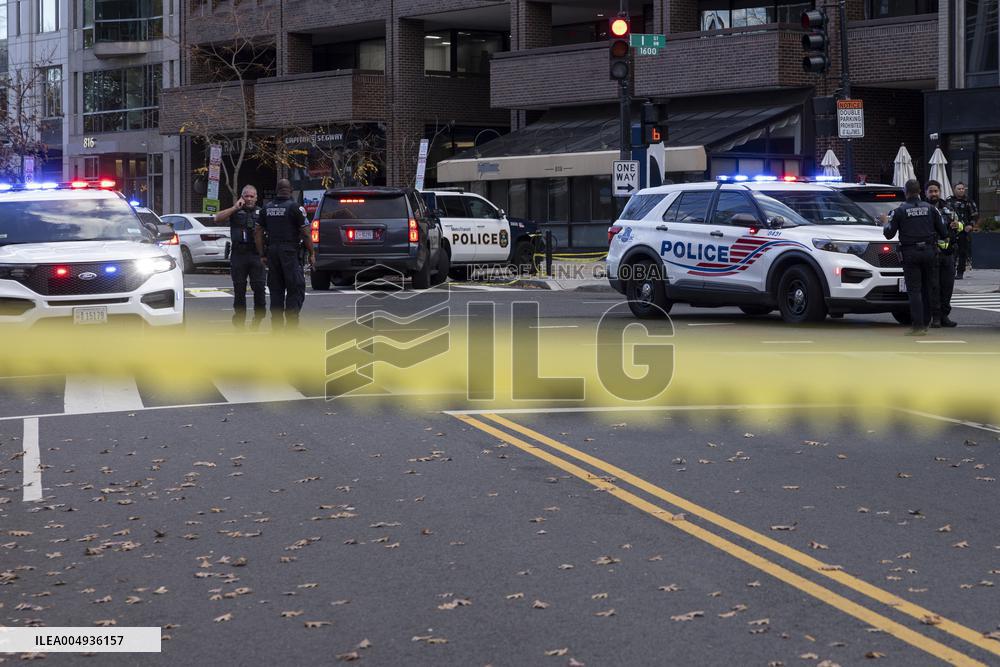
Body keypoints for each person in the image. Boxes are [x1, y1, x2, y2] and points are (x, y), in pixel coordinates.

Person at [882, 179, 948, 335]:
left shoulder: (900, 210)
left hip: (910, 253)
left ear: (906, 192)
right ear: (919, 192)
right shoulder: (931, 209)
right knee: (927, 288)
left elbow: (889, 234)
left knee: (914, 290)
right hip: (930, 252)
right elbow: (944, 233)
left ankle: (918, 326)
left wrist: (885, 222)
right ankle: (926, 322)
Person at [255, 179, 316, 329]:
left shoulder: (266, 209)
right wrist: (312, 253)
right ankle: (291, 326)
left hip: (272, 253)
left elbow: (257, 232)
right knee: (295, 287)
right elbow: (306, 234)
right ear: (291, 190)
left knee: (276, 289)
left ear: (277, 190)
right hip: (290, 252)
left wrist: (262, 254)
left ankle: (276, 327)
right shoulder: (295, 208)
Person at [215, 185, 266, 328]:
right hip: (239, 254)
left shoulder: (261, 212)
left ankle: (258, 317)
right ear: (242, 197)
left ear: (256, 198)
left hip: (256, 255)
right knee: (239, 289)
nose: (249, 199)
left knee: (259, 288)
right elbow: (217, 218)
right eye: (246, 196)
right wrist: (235, 207)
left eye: (252, 196)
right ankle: (239, 323)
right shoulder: (235, 211)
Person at [925, 180, 960, 328]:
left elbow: (960, 225)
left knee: (947, 287)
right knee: (934, 287)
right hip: (932, 254)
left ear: (940, 192)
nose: (934, 194)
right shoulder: (923, 208)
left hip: (948, 253)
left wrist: (958, 225)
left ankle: (945, 315)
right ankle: (936, 317)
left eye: (936, 191)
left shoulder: (948, 207)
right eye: (931, 191)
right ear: (925, 192)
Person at [947, 182, 979, 279]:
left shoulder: (968, 201)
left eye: (962, 188)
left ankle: (960, 272)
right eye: (959, 188)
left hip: (964, 230)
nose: (961, 190)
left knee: (962, 252)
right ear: (954, 190)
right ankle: (950, 271)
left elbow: (975, 215)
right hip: (951, 230)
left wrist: (970, 225)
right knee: (950, 252)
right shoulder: (948, 201)